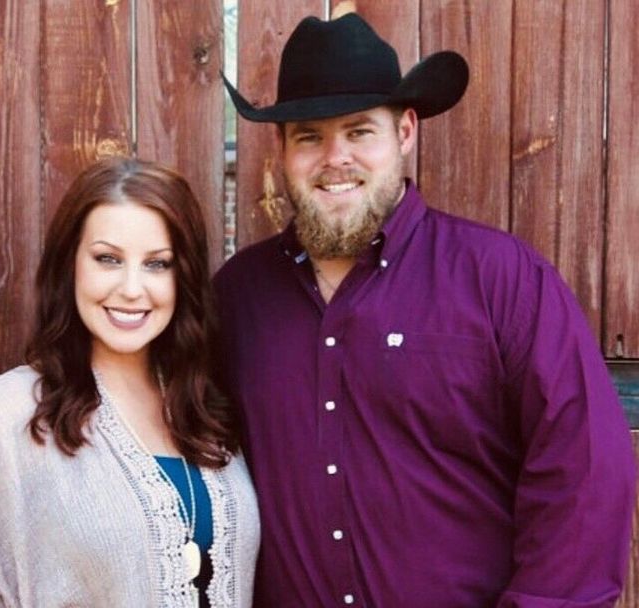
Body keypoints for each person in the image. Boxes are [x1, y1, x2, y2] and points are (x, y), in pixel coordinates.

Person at [215, 12, 635, 607]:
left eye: (360, 131)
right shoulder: (237, 299)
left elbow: (584, 477)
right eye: (310, 135)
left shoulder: (503, 281)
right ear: (282, 148)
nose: (335, 158)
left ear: (405, 132)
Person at [0, 157, 259, 607]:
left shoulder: (204, 407)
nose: (132, 288)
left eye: (157, 264)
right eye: (107, 259)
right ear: (70, 265)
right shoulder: (18, 412)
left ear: (183, 278)